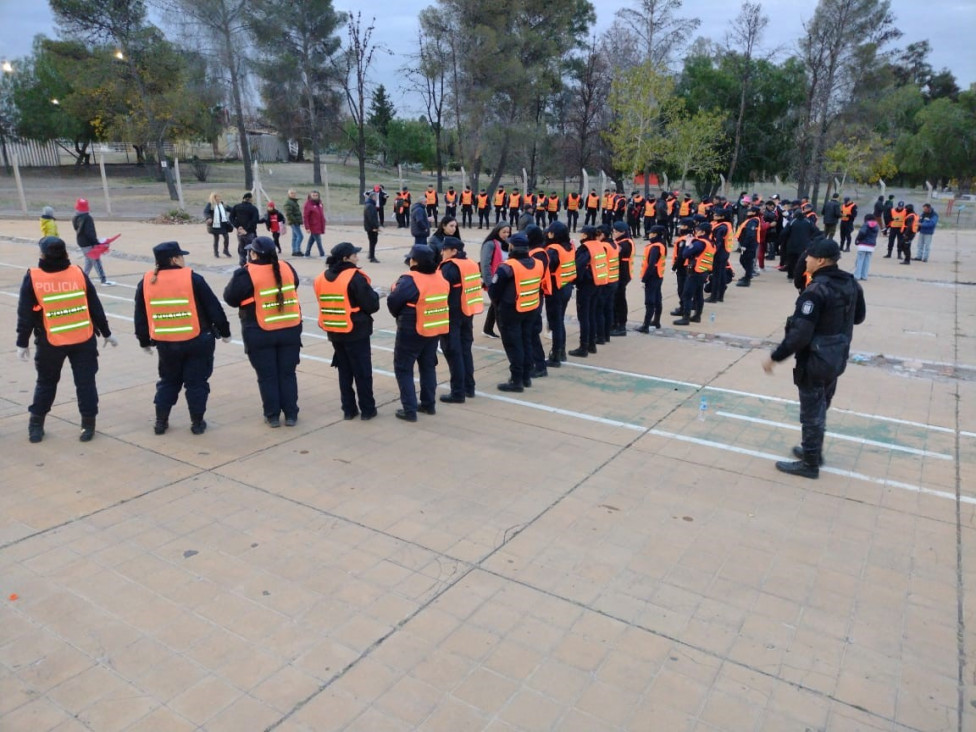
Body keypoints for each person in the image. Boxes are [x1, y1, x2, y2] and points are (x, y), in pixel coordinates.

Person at [763, 239, 866, 478]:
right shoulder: (850, 282)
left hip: (816, 358)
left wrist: (775, 357)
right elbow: (859, 317)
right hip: (837, 354)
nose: (805, 260)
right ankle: (813, 451)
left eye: (808, 257)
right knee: (821, 404)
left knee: (811, 411)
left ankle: (810, 463)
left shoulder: (816, 291)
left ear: (820, 260)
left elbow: (800, 334)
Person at [16, 236, 118, 443]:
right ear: (66, 254)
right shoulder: (78, 273)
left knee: (46, 383)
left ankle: (36, 424)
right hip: (84, 338)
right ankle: (88, 425)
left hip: (50, 341)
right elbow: (95, 306)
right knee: (86, 384)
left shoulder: (34, 277)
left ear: (43, 255)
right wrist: (106, 332)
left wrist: (22, 342)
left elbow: (25, 313)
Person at [134, 241, 231, 435]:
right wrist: (225, 331)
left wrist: (144, 340)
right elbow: (214, 308)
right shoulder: (193, 278)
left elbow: (140, 314)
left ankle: (161, 422)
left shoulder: (146, 282)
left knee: (168, 381)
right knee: (196, 383)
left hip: (166, 343)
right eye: (181, 256)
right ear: (174, 259)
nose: (183, 259)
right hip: (197, 340)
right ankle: (197, 423)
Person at [223, 236, 303, 427]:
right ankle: (291, 414)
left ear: (253, 254)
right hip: (290, 329)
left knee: (267, 376)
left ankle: (273, 415)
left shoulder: (245, 273)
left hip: (259, 331)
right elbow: (295, 284)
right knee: (287, 374)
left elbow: (230, 298)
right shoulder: (287, 267)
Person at [314, 242, 379, 420]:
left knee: (344, 371)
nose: (357, 257)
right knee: (362, 372)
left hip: (334, 331)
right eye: (354, 255)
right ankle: (367, 409)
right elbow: (372, 304)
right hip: (356, 330)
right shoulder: (354, 277)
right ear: (345, 258)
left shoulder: (321, 277)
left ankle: (348, 410)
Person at [387, 244, 450, 421]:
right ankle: (429, 404)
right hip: (434, 328)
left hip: (412, 329)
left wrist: (398, 316)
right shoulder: (440, 276)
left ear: (414, 261)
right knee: (428, 367)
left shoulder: (409, 279)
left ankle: (409, 410)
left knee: (403, 368)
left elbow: (393, 301)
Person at [490, 232, 543, 391]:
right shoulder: (537, 263)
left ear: (512, 246)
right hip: (531, 308)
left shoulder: (508, 267)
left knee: (514, 345)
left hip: (511, 310)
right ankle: (526, 377)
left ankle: (516, 380)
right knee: (526, 342)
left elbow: (494, 290)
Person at [438, 236, 482, 402]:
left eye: (445, 249)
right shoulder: (470, 263)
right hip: (467, 311)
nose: (442, 252)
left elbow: (440, 288)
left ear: (454, 251)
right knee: (465, 350)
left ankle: (457, 392)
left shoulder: (449, 267)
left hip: (452, 314)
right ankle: (469, 387)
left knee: (453, 352)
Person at [568, 225, 607, 357]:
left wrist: (574, 280)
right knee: (591, 315)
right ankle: (591, 344)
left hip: (587, 285)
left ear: (585, 235)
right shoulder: (599, 245)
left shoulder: (585, 248)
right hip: (598, 283)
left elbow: (577, 265)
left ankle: (583, 347)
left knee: (584, 317)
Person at [543, 221, 575, 366]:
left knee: (555, 323)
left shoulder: (553, 249)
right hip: (566, 286)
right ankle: (561, 352)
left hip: (556, 289)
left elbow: (547, 268)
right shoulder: (569, 247)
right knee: (559, 321)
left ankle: (556, 355)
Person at [673, 220, 715, 326]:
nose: (696, 231)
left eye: (698, 230)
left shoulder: (699, 243)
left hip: (695, 272)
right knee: (698, 294)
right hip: (703, 271)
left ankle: (685, 318)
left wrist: (688, 244)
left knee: (687, 295)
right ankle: (697, 316)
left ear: (703, 232)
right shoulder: (710, 243)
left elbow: (685, 254)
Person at [525, 225, 552, 377]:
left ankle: (540, 365)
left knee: (532, 332)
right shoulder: (538, 251)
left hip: (535, 296)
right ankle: (535, 363)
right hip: (534, 295)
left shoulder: (538, 254)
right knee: (530, 332)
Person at [72, 198, 115, 286]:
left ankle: (83, 277)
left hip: (81, 241)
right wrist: (96, 242)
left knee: (89, 261)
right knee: (96, 260)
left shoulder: (75, 217)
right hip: (88, 243)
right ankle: (103, 280)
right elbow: (90, 232)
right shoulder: (87, 218)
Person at [479, 222, 509, 338]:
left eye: (508, 232)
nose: (506, 234)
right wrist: (489, 283)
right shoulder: (490, 244)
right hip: (493, 281)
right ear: (497, 231)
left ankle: (487, 329)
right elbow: (485, 265)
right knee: (499, 308)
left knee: (494, 305)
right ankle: (505, 334)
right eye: (504, 232)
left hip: (503, 281)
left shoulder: (507, 243)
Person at [636, 226, 667, 332]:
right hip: (658, 276)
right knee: (657, 299)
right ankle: (656, 321)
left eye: (651, 233)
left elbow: (651, 265)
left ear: (655, 234)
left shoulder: (655, 247)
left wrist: (644, 279)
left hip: (652, 277)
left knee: (650, 302)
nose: (649, 235)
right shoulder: (662, 244)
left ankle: (646, 325)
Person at [610, 222, 634, 335]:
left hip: (622, 275)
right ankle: (615, 322)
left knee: (619, 300)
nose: (613, 234)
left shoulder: (624, 244)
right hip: (620, 274)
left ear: (623, 232)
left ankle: (621, 325)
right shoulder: (621, 242)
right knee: (616, 300)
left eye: (616, 231)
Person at [230, 192, 260, 266]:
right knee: (251, 249)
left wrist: (238, 226)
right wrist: (246, 229)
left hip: (240, 232)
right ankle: (250, 265)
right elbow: (254, 220)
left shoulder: (236, 207)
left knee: (241, 249)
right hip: (250, 232)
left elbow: (231, 217)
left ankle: (242, 265)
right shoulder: (253, 209)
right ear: (250, 199)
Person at [735, 206, 762, 288]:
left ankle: (747, 279)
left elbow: (750, 235)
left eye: (750, 211)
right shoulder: (751, 220)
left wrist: (744, 245)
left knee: (747, 260)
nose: (748, 211)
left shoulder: (753, 221)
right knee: (744, 260)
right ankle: (748, 275)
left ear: (754, 212)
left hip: (749, 245)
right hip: (748, 244)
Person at [204, 192, 233, 258]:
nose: (219, 198)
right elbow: (205, 212)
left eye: (220, 197)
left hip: (223, 224)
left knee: (226, 237)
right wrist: (208, 218)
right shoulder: (210, 204)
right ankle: (216, 252)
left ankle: (225, 250)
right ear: (214, 198)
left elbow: (231, 209)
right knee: (216, 238)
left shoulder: (223, 204)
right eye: (218, 197)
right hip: (215, 225)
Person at [852, 214, 879, 281]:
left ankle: (857, 275)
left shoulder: (865, 224)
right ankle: (864, 275)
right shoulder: (876, 225)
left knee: (859, 261)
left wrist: (858, 239)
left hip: (863, 245)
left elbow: (862, 232)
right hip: (871, 246)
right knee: (867, 261)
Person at [302, 191, 326, 257]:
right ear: (310, 196)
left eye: (316, 195)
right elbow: (305, 217)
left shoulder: (320, 203)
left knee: (311, 240)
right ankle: (322, 254)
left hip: (319, 225)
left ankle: (307, 253)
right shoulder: (308, 204)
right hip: (313, 226)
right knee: (318, 240)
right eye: (313, 195)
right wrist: (307, 227)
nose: (315, 196)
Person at [284, 189, 305, 256]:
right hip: (293, 222)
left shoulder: (293, 202)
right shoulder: (288, 202)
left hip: (296, 222)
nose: (293, 194)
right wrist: (294, 220)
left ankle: (294, 250)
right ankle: (297, 250)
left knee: (295, 237)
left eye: (294, 193)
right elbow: (288, 214)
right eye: (291, 193)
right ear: (288, 194)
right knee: (300, 236)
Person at [363, 191, 381, 262]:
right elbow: (371, 218)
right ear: (373, 197)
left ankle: (370, 254)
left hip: (370, 227)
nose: (377, 199)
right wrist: (376, 227)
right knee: (373, 241)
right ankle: (372, 257)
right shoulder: (370, 206)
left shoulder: (369, 204)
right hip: (371, 227)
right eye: (376, 197)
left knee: (373, 241)